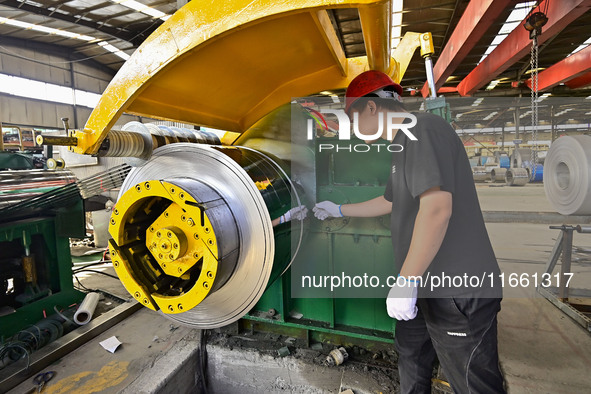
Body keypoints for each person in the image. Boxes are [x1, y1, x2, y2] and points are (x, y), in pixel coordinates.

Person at [313, 70, 505, 393]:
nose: (354, 130)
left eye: (353, 118)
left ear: (372, 108)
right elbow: (389, 200)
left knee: (473, 383)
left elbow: (437, 208)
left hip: (456, 294)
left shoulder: (422, 131)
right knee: (412, 361)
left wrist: (407, 280)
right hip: (424, 292)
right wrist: (339, 209)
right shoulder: (401, 147)